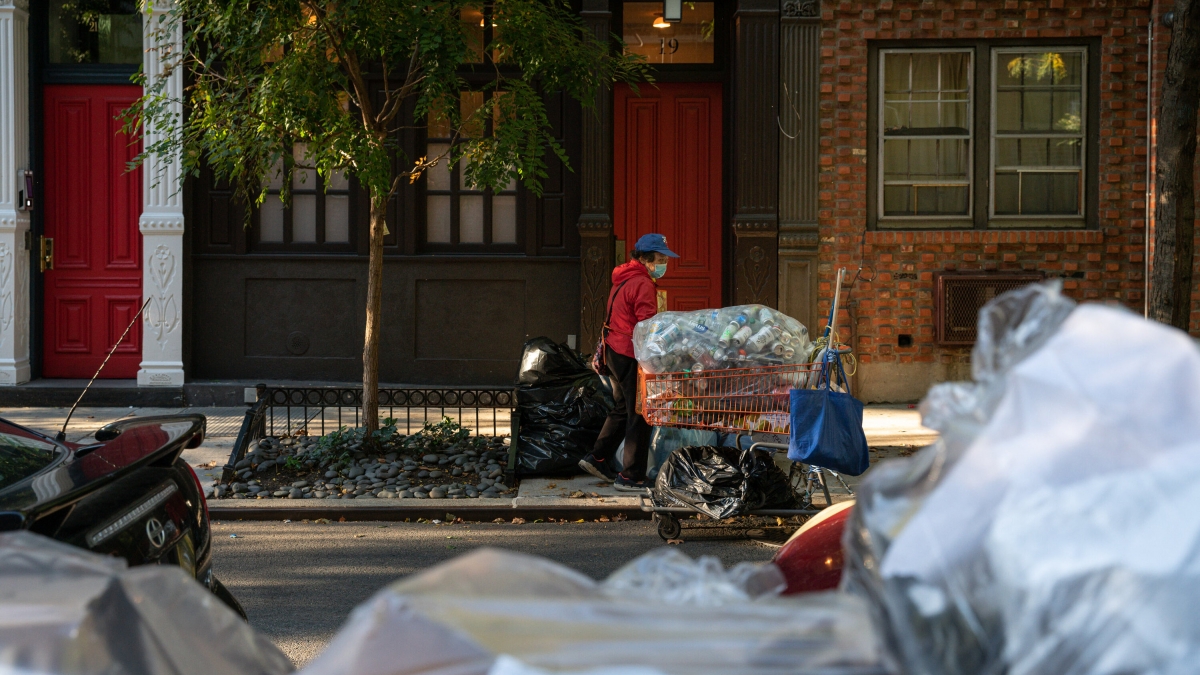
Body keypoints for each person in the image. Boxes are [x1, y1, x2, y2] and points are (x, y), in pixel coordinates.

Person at [579, 233, 678, 491]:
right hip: (628, 351)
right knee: (640, 411)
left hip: (613, 349)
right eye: (659, 259)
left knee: (623, 407)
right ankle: (631, 475)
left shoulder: (623, 278)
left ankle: (598, 457)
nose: (663, 264)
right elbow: (647, 326)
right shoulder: (643, 283)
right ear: (644, 259)